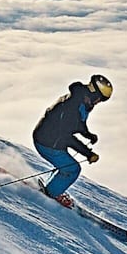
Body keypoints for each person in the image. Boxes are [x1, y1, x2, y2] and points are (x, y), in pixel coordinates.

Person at [31, 74, 114, 208]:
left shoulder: (80, 100)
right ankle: (50, 194)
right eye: (99, 99)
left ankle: (52, 188)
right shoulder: (72, 107)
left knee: (67, 166)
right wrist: (88, 154)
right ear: (94, 95)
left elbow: (78, 123)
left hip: (49, 138)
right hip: (47, 143)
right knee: (72, 169)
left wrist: (87, 135)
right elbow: (67, 136)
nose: (98, 102)